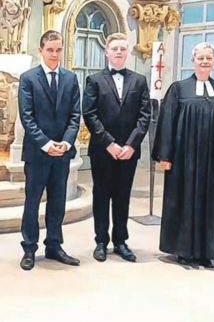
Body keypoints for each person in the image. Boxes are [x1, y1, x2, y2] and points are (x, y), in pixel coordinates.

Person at [153, 41, 214, 268]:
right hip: (184, 159)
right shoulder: (179, 89)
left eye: (209, 58)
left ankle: (208, 251)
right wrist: (165, 155)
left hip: (213, 160)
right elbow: (167, 123)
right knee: (183, 200)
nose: (204, 61)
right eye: (200, 57)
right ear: (193, 61)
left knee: (211, 203)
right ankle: (183, 250)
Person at [82, 32, 151, 263]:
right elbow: (90, 115)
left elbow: (144, 116)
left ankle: (120, 241)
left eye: (123, 48)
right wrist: (109, 143)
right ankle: (101, 241)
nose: (119, 52)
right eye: (115, 48)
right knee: (101, 195)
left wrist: (131, 145)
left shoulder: (139, 80)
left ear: (128, 51)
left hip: (128, 151)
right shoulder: (94, 80)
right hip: (103, 150)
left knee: (123, 196)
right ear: (106, 52)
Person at [18, 30, 81, 271]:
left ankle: (54, 245)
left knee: (57, 201)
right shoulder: (28, 78)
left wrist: (66, 143)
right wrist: (46, 143)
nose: (55, 54)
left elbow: (75, 115)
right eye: (50, 50)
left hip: (62, 152)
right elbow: (27, 117)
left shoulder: (70, 78)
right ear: (41, 51)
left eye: (58, 49)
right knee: (32, 201)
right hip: (38, 152)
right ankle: (29, 248)